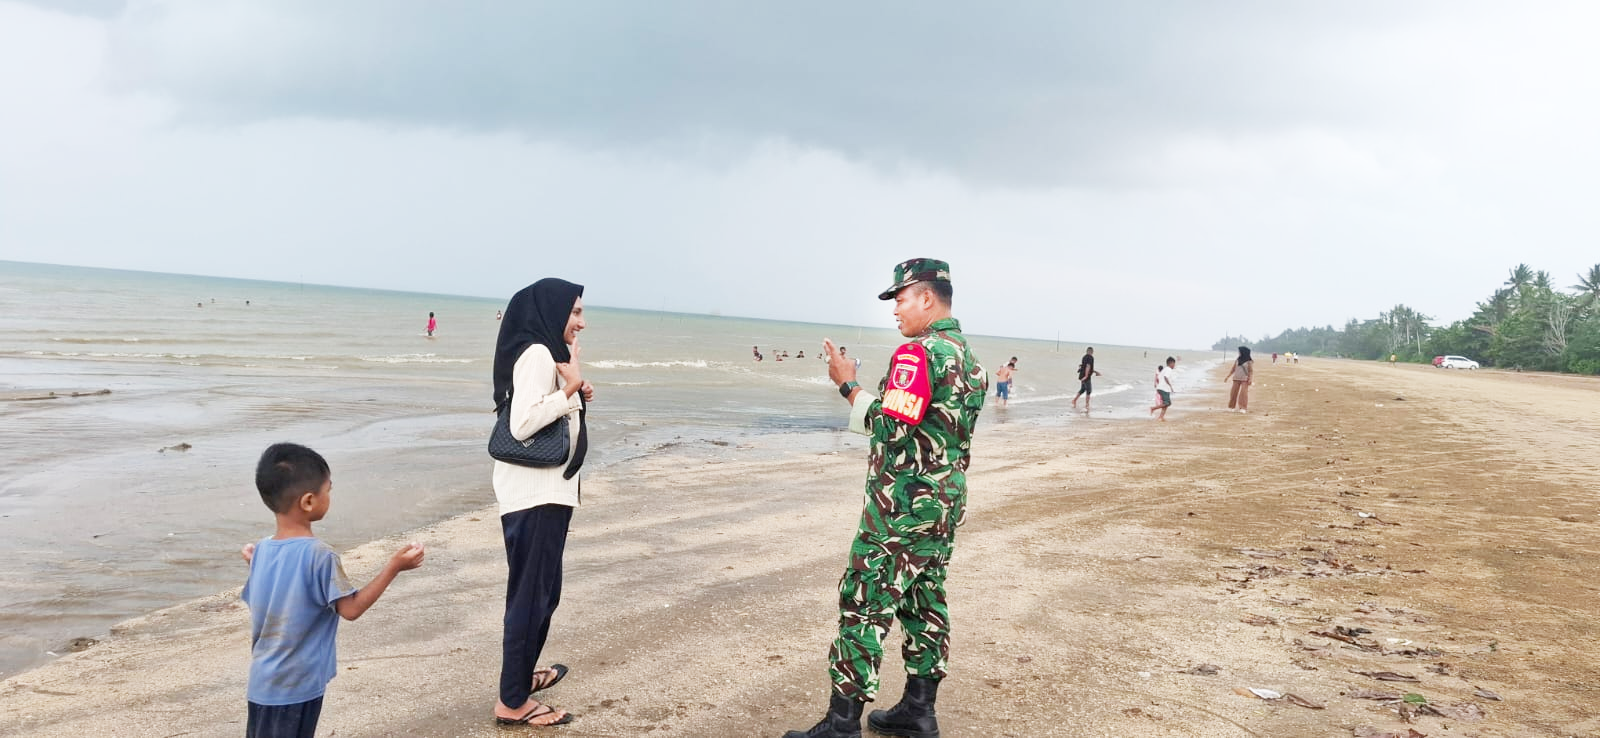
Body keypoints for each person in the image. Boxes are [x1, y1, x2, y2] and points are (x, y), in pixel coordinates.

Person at [786, 258, 987, 738]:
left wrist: (848, 385)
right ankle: (919, 711)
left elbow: (893, 426)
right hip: (941, 506)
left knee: (864, 603)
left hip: (899, 509)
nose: (895, 310)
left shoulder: (919, 354)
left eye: (899, 299)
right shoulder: (970, 360)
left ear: (926, 297)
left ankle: (841, 724)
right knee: (924, 601)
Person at [240, 443, 425, 738]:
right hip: (296, 687)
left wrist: (256, 563)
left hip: (261, 683)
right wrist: (394, 567)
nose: (331, 496)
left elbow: (270, 601)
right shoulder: (320, 555)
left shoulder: (262, 550)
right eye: (329, 489)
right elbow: (350, 609)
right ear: (309, 501)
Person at [489, 279, 595, 727]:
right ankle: (512, 703)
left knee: (542, 595)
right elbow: (523, 424)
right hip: (534, 498)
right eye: (574, 312)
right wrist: (568, 391)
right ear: (551, 311)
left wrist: (573, 393)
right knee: (531, 599)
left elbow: (541, 413)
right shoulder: (535, 353)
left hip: (543, 496)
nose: (581, 322)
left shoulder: (544, 353)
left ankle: (520, 678)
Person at [1224, 345, 1253, 412]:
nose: (1238, 353)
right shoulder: (1237, 360)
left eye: (1239, 351)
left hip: (1245, 379)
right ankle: (1231, 407)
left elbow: (1251, 371)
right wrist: (1227, 376)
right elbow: (1233, 369)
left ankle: (1243, 408)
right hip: (1236, 378)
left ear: (1243, 352)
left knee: (1243, 394)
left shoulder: (1249, 361)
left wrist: (1250, 379)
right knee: (1233, 393)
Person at [1150, 356, 1177, 421]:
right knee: (1167, 403)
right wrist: (1170, 385)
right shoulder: (1168, 369)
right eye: (1174, 364)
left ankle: (1161, 417)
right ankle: (1153, 408)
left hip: (1162, 388)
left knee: (1166, 403)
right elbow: (1165, 377)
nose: (1174, 365)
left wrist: (1159, 385)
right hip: (1164, 389)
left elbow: (1158, 378)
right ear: (1171, 363)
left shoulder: (1164, 369)